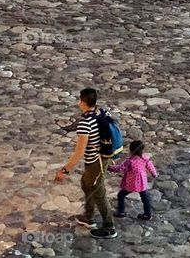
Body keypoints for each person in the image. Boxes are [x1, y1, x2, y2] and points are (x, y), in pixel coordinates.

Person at [54, 88, 117, 239]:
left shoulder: (85, 123)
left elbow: (79, 152)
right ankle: (88, 215)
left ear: (83, 103)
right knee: (86, 183)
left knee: (98, 191)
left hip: (95, 161)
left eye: (79, 101)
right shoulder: (102, 112)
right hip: (104, 156)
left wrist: (64, 170)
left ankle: (109, 227)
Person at [108, 140, 158, 220]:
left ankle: (121, 212)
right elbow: (151, 167)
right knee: (145, 198)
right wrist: (154, 174)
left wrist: (109, 168)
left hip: (131, 184)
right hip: (142, 184)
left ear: (131, 150)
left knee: (121, 195)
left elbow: (120, 168)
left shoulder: (130, 161)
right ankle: (147, 214)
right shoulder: (145, 159)